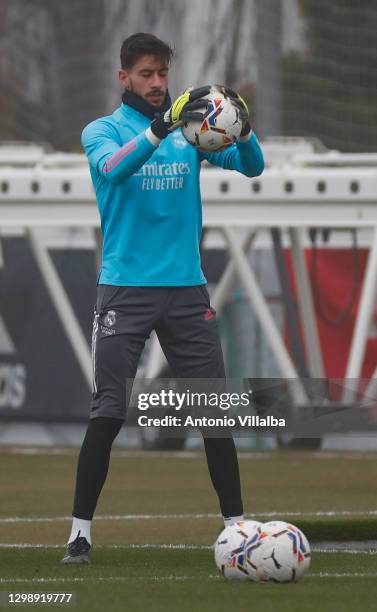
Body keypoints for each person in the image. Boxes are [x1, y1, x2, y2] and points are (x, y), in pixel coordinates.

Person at [62, 32, 264, 564]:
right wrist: (160, 127)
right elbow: (115, 169)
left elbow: (253, 167)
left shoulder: (189, 133)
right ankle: (79, 533)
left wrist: (240, 125)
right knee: (108, 411)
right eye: (147, 75)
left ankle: (237, 528)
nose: (157, 84)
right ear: (123, 76)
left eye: (162, 74)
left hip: (186, 290)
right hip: (125, 290)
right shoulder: (101, 131)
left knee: (213, 413)